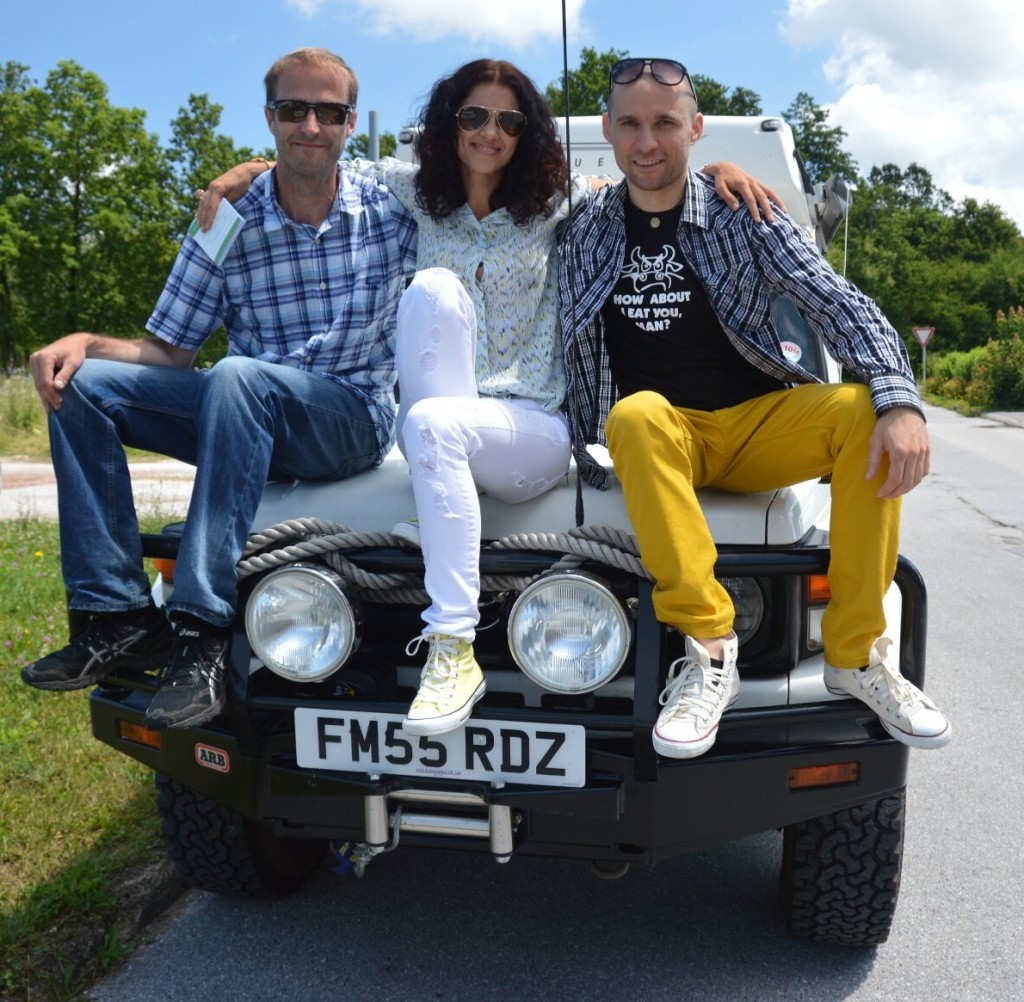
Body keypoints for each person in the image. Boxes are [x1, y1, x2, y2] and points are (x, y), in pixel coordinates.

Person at [202, 57, 778, 737]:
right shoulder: (411, 195)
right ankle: (443, 523)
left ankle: (453, 646)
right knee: (431, 292)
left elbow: (653, 179)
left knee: (438, 425)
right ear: (449, 124)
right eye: (473, 116)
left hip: (529, 430)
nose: (489, 132)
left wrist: (718, 171)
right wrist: (234, 175)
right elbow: (311, 168)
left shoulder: (565, 203)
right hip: (440, 429)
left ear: (526, 132)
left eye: (508, 120)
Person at [558, 57, 952, 759]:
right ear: (609, 133)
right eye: (630, 124)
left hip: (754, 428)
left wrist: (901, 399)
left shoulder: (744, 212)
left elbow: (836, 300)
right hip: (662, 439)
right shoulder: (584, 224)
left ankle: (858, 655)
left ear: (696, 129)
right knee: (637, 414)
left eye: (665, 124)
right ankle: (710, 650)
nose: (647, 141)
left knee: (863, 411)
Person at [21, 47, 417, 731]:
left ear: (352, 123)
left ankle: (201, 631)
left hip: (347, 419)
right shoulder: (225, 222)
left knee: (237, 376)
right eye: (295, 110)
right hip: (244, 413)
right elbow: (171, 350)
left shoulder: (391, 207)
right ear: (269, 118)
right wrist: (85, 343)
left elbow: (482, 171)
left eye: (329, 112)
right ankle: (113, 614)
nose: (311, 126)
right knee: (82, 386)